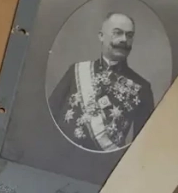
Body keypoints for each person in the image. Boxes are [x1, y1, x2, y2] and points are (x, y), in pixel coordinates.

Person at [48, 12, 155, 152]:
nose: (124, 39)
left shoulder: (142, 88)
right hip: (58, 154)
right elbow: (48, 117)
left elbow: (142, 146)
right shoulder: (76, 70)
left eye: (129, 35)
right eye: (117, 33)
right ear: (101, 36)